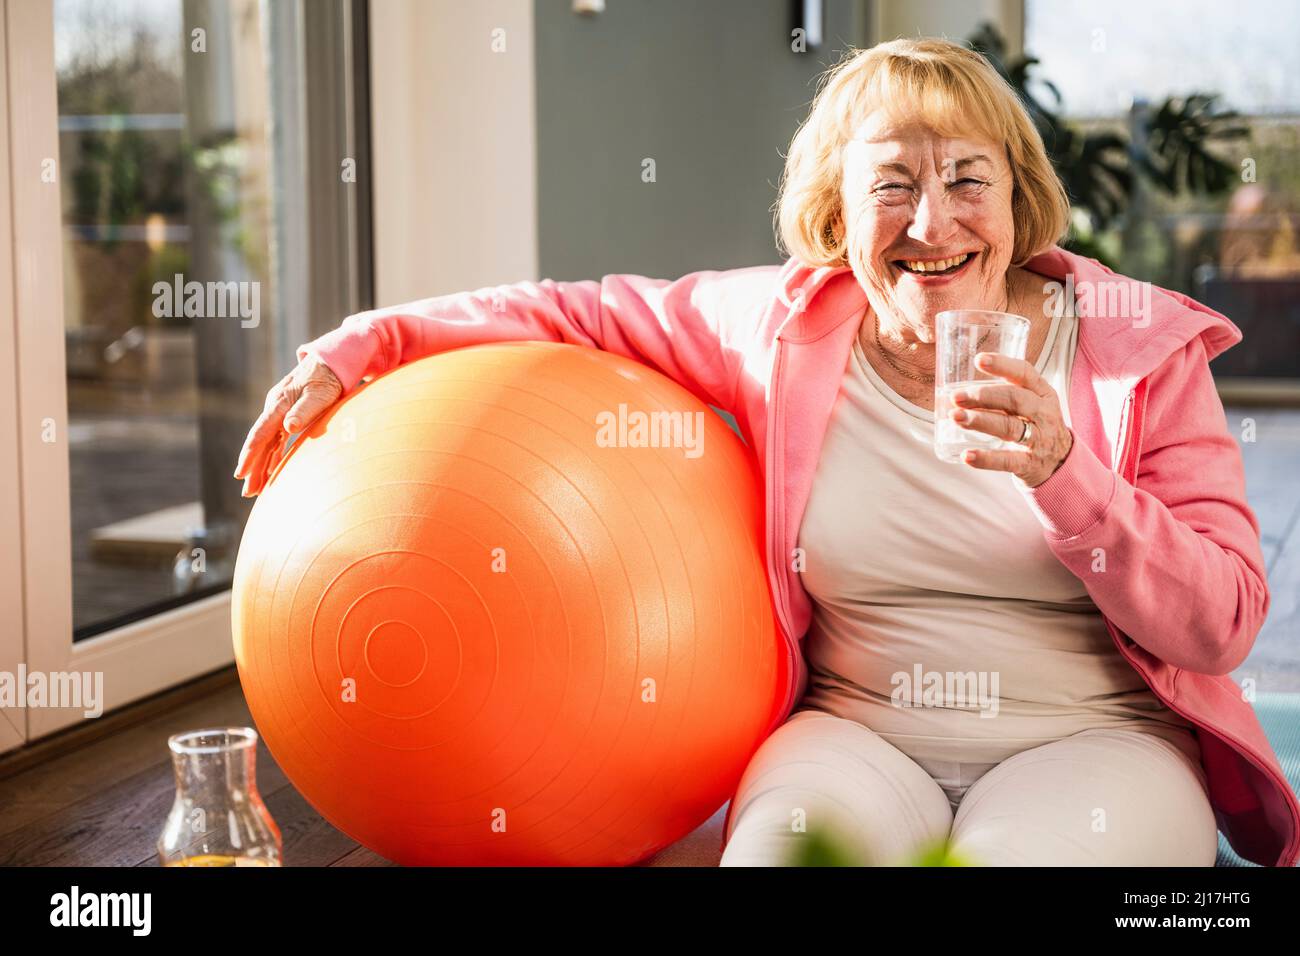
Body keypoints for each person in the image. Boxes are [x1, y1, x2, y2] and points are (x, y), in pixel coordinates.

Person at [234, 38, 1299, 867]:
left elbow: (1219, 622)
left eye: (968, 179)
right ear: (837, 211)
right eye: (890, 183)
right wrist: (362, 344)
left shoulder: (1132, 344)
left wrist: (1067, 473)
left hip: (1094, 743)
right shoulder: (786, 328)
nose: (932, 221)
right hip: (859, 735)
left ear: (1018, 198)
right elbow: (570, 310)